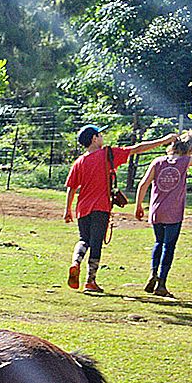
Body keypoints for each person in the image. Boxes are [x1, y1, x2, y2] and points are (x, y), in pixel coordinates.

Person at [65, 123, 174, 293]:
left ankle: (75, 262)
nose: (102, 137)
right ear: (94, 139)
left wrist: (67, 210)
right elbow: (137, 149)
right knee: (96, 244)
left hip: (82, 208)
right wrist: (164, 140)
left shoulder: (79, 162)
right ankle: (90, 281)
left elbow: (71, 187)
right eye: (100, 135)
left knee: (83, 239)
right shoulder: (108, 154)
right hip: (100, 207)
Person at [134, 130, 192, 297]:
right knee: (168, 246)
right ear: (190, 150)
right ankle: (161, 283)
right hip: (173, 212)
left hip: (157, 210)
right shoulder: (185, 161)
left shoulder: (158, 161)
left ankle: (152, 273)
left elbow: (143, 184)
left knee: (158, 242)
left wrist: (139, 205)